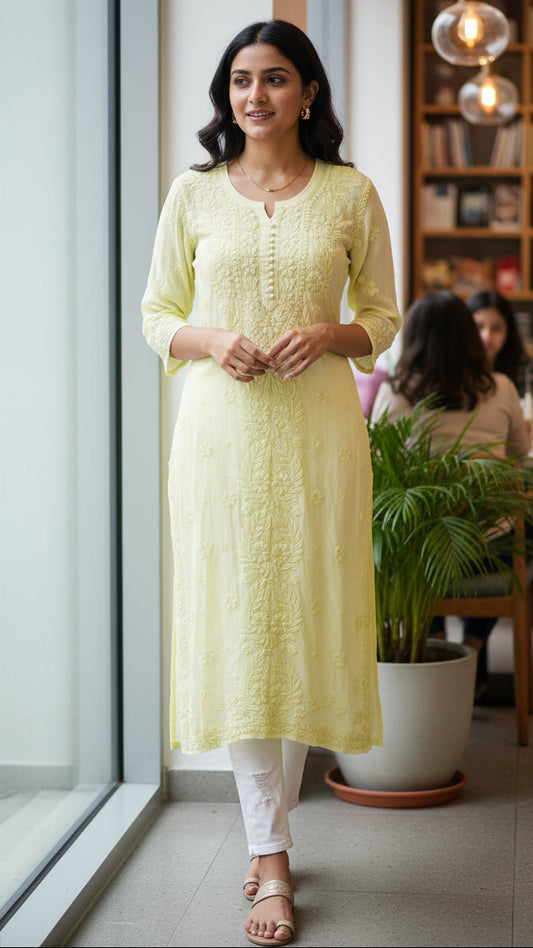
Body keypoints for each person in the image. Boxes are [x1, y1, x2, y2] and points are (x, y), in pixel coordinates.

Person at [141, 19, 401, 947]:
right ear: (228, 94)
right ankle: (273, 857)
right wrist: (212, 338)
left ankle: (267, 835)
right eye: (241, 80)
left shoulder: (350, 193)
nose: (255, 95)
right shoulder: (193, 193)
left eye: (276, 78)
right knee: (243, 628)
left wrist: (329, 334)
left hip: (318, 438)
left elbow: (383, 316)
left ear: (308, 93)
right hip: (220, 440)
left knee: (299, 625)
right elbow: (156, 315)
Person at [371, 290, 530, 700]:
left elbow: (380, 474)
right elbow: (518, 460)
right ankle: (472, 649)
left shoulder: (394, 393)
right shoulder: (501, 388)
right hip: (489, 554)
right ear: (468, 337)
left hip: (420, 563)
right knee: (519, 529)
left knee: (407, 534)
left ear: (414, 339)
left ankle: (437, 639)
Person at [466, 289, 529, 396]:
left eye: (496, 328)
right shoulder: (453, 374)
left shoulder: (525, 371)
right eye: (479, 327)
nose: (486, 337)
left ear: (509, 332)